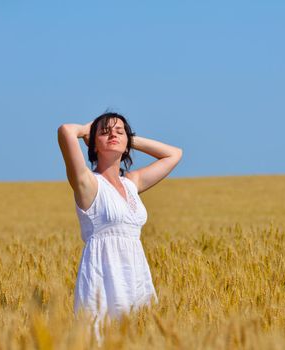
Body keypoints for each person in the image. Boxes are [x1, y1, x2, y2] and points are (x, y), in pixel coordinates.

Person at [57, 112, 182, 344]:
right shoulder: (87, 183)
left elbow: (174, 154)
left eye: (119, 131)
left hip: (136, 276)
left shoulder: (131, 183)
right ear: (93, 143)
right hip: (103, 278)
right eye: (104, 132)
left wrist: (129, 139)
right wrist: (88, 130)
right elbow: (66, 130)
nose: (112, 133)